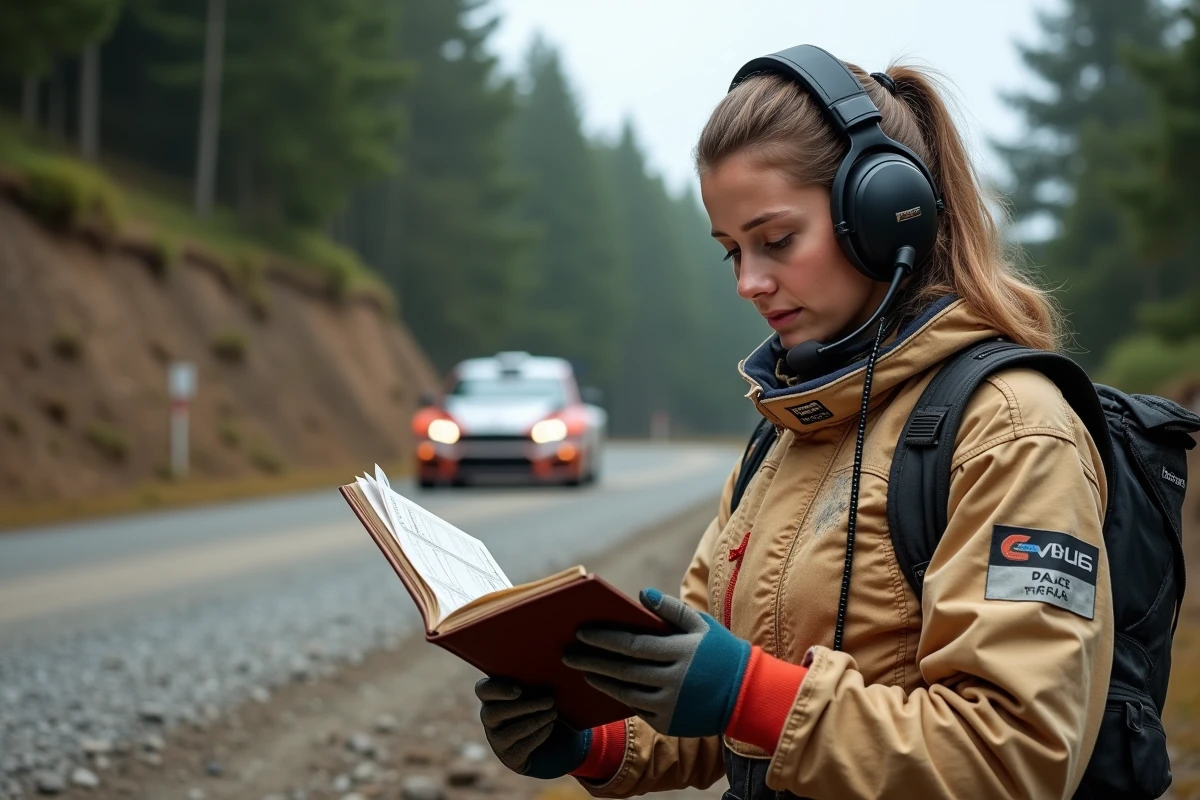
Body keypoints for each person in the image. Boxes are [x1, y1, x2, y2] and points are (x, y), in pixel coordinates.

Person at [474, 44, 1112, 800]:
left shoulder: (1012, 431)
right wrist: (587, 737)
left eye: (776, 241)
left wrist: (750, 695)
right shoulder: (783, 438)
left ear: (884, 214)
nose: (749, 282)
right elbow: (711, 712)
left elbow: (1016, 761)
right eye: (731, 253)